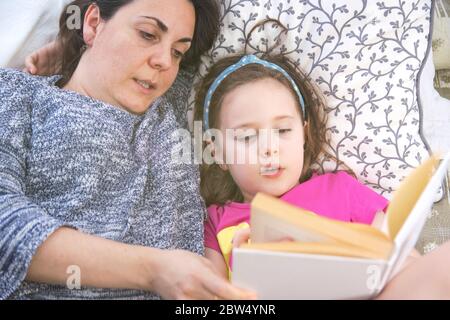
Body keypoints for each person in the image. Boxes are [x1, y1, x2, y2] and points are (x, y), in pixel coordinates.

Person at [0, 0, 256, 300]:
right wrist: (154, 270)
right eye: (147, 34)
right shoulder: (18, 95)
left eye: (178, 52)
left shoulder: (178, 99)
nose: (164, 61)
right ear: (94, 22)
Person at [193, 53, 450, 299]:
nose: (269, 148)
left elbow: (406, 257)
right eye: (247, 137)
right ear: (218, 152)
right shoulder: (217, 222)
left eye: (282, 130)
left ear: (303, 135)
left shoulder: (340, 188)